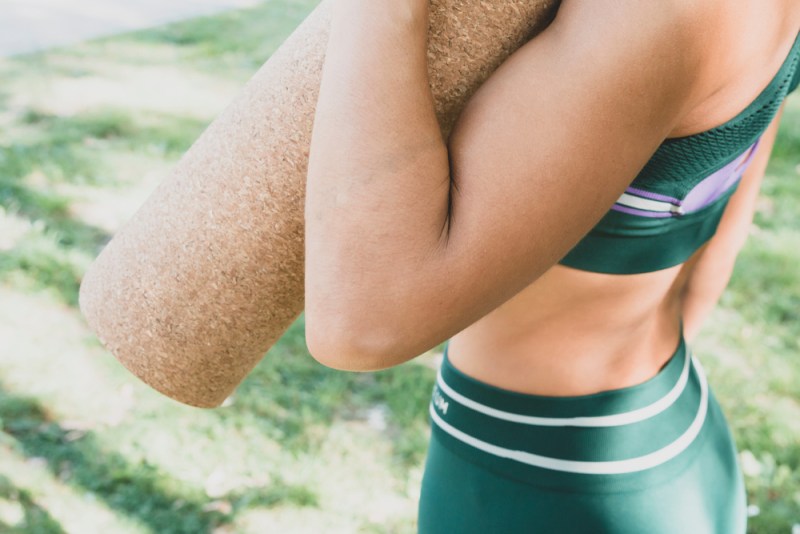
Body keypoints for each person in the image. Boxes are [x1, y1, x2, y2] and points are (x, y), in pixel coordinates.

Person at [303, 0, 800, 532]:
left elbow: (360, 324)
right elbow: (717, 236)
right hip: (675, 434)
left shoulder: (650, 15)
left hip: (540, 481)